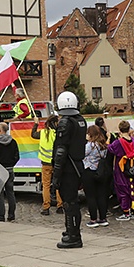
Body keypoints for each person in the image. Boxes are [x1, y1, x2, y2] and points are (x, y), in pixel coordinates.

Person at [51, 91, 88, 249]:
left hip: (68, 168)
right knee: (72, 202)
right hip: (77, 164)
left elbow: (61, 151)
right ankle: (71, 231)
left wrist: (56, 176)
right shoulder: (80, 120)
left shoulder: (66, 122)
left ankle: (74, 236)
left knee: (69, 203)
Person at [108, 121, 134, 221]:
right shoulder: (133, 141)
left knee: (122, 190)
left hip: (122, 169)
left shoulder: (119, 142)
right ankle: (133, 210)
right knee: (132, 188)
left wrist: (108, 139)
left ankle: (126, 212)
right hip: (132, 167)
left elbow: (110, 149)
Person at [32, 114, 62, 215]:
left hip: (45, 163)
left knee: (46, 185)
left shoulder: (43, 133)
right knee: (58, 184)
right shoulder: (57, 133)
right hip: (57, 162)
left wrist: (36, 124)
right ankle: (60, 206)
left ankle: (46, 207)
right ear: (55, 123)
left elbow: (33, 134)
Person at [83, 124, 110, 227]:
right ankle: (103, 218)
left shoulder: (90, 145)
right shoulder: (103, 145)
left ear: (90, 134)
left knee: (91, 196)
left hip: (89, 171)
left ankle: (93, 219)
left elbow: (82, 154)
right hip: (100, 172)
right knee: (101, 195)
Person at [0, 122, 19, 222]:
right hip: (9, 169)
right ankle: (11, 215)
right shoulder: (13, 141)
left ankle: (1, 216)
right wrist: (11, 164)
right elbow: (17, 156)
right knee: (10, 193)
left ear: (0, 131)